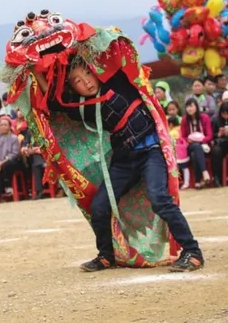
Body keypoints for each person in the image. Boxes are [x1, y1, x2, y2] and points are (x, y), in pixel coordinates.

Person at [33, 55, 203, 273]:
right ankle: (106, 256)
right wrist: (34, 69)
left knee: (159, 198)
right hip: (124, 160)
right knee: (99, 206)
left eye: (87, 74)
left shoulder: (119, 82)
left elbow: (114, 54)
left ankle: (192, 252)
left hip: (152, 152)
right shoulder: (84, 106)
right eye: (77, 80)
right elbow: (55, 102)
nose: (86, 82)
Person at [181, 98, 213, 188]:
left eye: (191, 106)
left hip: (204, 145)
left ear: (196, 107)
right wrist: (189, 140)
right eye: (187, 107)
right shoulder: (184, 120)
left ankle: (197, 182)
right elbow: (182, 137)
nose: (189, 109)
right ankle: (204, 172)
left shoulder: (204, 118)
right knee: (195, 146)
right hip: (190, 145)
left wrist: (201, 140)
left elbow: (210, 135)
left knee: (195, 154)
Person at [0, 118, 21, 203]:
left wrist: (1, 162)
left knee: (8, 164)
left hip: (11, 162)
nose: (3, 127)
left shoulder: (14, 138)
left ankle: (8, 185)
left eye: (5, 125)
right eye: (1, 125)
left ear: (10, 126)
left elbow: (14, 154)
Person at [169, 117, 190, 190]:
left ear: (171, 124)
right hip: (184, 151)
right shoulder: (180, 130)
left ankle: (175, 184)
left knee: (175, 169)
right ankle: (186, 183)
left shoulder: (172, 132)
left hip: (177, 153)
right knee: (185, 168)